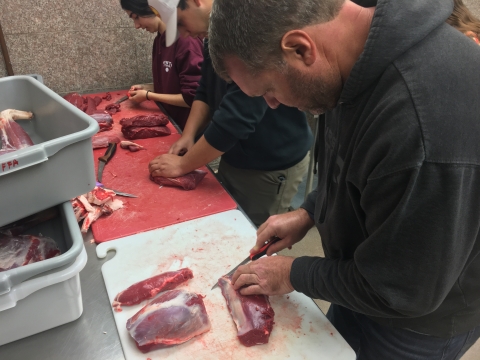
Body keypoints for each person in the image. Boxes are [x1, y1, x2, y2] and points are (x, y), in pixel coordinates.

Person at [208, 0, 480, 359]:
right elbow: (353, 168)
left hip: (413, 326)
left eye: (268, 90)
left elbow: (402, 290)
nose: (271, 105)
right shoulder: (347, 64)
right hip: (359, 281)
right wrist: (309, 211)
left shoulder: (420, 120)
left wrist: (296, 273)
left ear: (301, 48)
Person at [147, 0, 313, 227]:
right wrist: (188, 135)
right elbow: (205, 90)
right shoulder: (212, 36)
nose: (184, 34)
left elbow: (237, 117)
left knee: (254, 236)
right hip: (234, 154)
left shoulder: (248, 32)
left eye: (182, 23)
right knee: (229, 222)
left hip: (269, 163)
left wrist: (183, 165)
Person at [120, 0, 203, 130]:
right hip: (172, 123)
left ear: (154, 9)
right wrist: (145, 87)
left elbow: (193, 97)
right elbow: (172, 85)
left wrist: (148, 95)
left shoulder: (186, 40)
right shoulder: (159, 40)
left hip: (188, 130)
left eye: (136, 17)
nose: (136, 25)